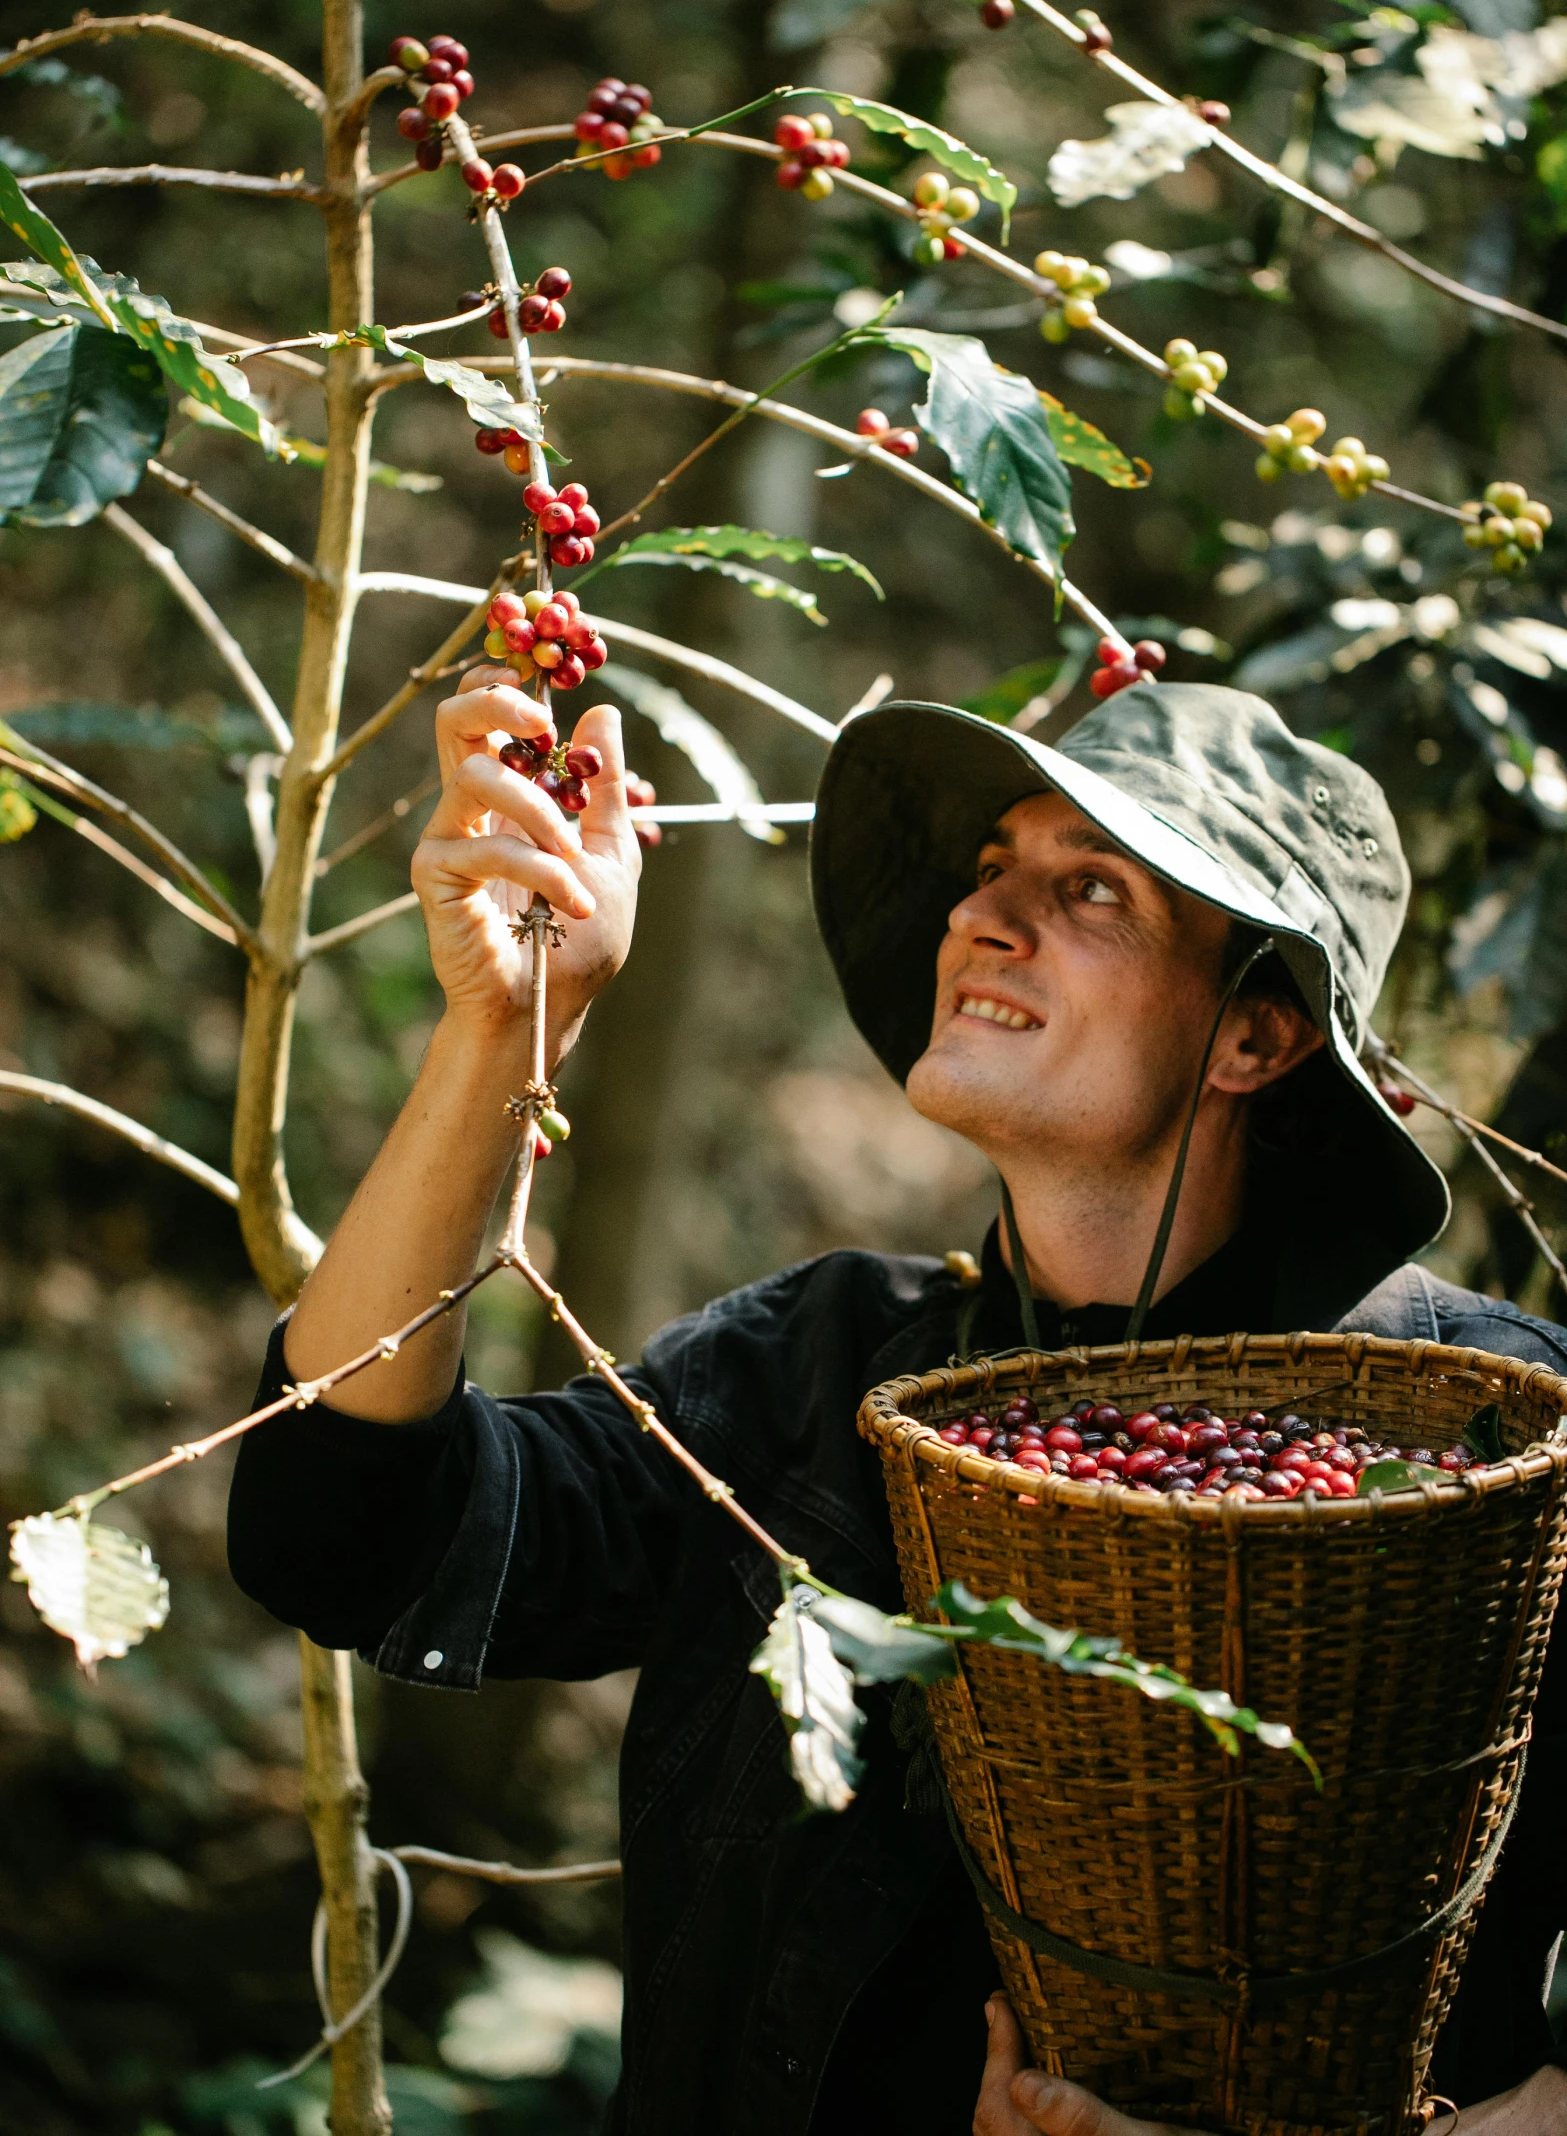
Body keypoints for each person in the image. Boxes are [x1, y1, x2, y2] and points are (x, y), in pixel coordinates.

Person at [229, 668, 1567, 2136]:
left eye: (1094, 888)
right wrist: (505, 1029)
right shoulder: (809, 1374)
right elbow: (342, 1534)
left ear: (1252, 1035)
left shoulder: (1484, 1445)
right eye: (994, 866)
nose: (981, 915)